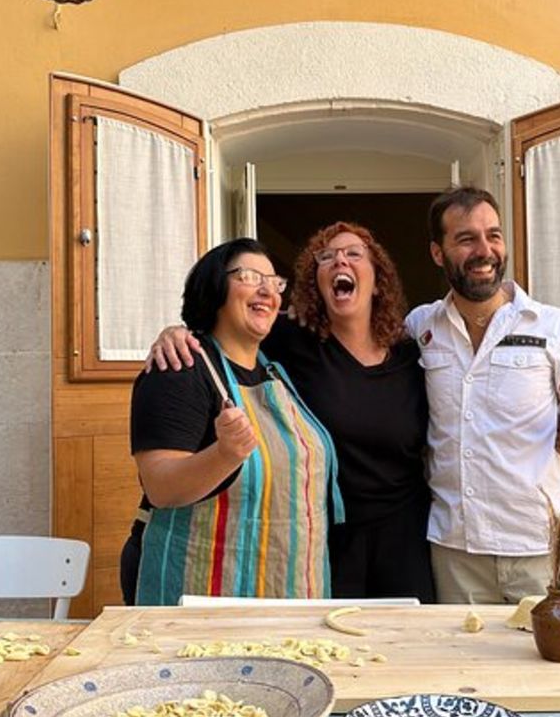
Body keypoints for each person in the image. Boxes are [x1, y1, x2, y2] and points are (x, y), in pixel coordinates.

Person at [148, 223, 436, 603]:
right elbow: (226, 329)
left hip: (404, 532)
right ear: (315, 283)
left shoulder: (412, 354)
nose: (339, 261)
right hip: (327, 533)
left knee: (406, 646)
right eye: (326, 257)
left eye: (353, 254)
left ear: (378, 280)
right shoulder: (289, 339)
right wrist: (176, 333)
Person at [407, 185, 560, 604]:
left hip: (538, 545)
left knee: (546, 666)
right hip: (455, 547)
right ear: (437, 252)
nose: (485, 250)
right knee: (464, 667)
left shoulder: (553, 327)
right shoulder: (421, 327)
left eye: (494, 236)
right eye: (466, 239)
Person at [119, 238, 343, 606]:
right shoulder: (179, 368)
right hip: (198, 592)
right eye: (250, 276)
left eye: (274, 282)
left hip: (284, 588)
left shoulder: (276, 372)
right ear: (214, 286)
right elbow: (160, 486)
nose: (267, 291)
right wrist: (225, 454)